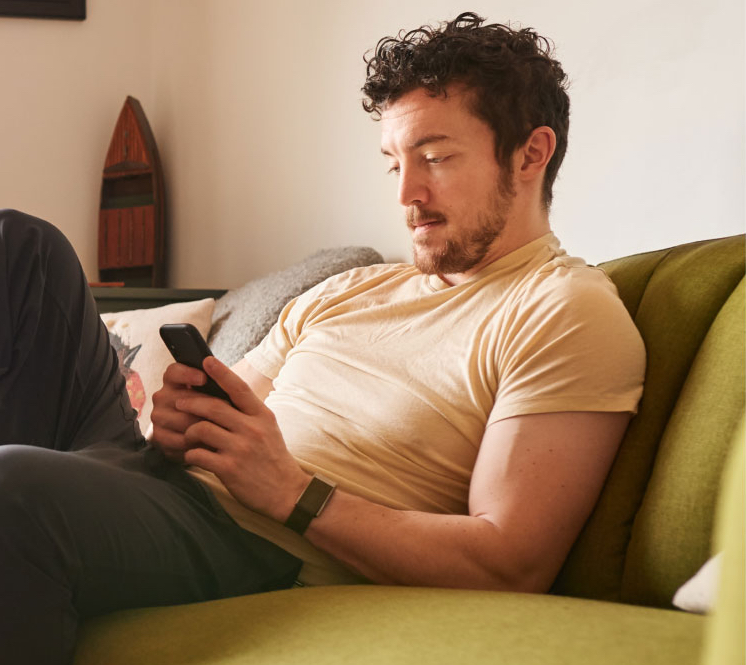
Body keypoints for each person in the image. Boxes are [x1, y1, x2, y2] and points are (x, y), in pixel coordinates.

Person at [0, 12, 645, 665]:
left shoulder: (562, 310)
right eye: (395, 162)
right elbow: (230, 413)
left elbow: (512, 561)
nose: (407, 193)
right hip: (155, 476)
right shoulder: (353, 286)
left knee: (13, 486)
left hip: (251, 538)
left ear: (532, 153)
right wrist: (186, 421)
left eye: (436, 158)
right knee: (22, 248)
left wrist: (291, 492)